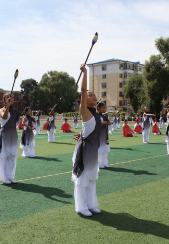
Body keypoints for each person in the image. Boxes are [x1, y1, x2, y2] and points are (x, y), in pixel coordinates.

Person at [72, 63, 101, 217]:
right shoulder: (84, 111)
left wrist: (81, 133)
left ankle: (91, 204)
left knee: (91, 178)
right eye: (90, 95)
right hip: (84, 151)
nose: (93, 95)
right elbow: (83, 90)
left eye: (94, 94)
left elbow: (89, 129)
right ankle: (82, 207)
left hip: (93, 150)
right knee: (82, 179)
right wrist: (85, 72)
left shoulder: (96, 114)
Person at [0, 92, 20, 184]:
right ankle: (3, 178)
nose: (10, 98)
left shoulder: (16, 111)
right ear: (4, 100)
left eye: (12, 97)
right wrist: (7, 106)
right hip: (5, 135)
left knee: (12, 158)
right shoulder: (1, 109)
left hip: (13, 135)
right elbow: (5, 117)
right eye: (8, 97)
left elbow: (17, 123)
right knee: (3, 157)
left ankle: (10, 176)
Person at [97, 102, 111, 169]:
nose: (104, 109)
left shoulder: (104, 116)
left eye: (105, 107)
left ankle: (105, 163)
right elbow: (98, 123)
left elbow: (108, 122)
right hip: (99, 135)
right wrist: (105, 122)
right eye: (103, 108)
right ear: (98, 108)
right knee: (100, 150)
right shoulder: (96, 115)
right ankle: (99, 164)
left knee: (106, 150)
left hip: (105, 135)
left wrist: (108, 122)